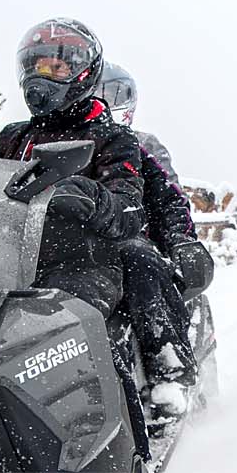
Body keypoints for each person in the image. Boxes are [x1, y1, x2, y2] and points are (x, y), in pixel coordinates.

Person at [0, 18, 207, 457]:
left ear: (83, 70)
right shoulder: (12, 139)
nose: (42, 76)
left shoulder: (111, 137)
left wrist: (90, 196)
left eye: (55, 67)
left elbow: (134, 203)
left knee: (136, 262)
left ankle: (162, 379)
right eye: (34, 66)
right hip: (3, 259)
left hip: (85, 259)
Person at [91, 63, 211, 394]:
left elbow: (168, 196)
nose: (105, 100)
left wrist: (179, 239)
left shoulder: (139, 145)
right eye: (99, 92)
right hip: (70, 246)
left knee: (138, 263)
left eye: (113, 93)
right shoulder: (43, 141)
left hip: (135, 238)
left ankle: (167, 371)